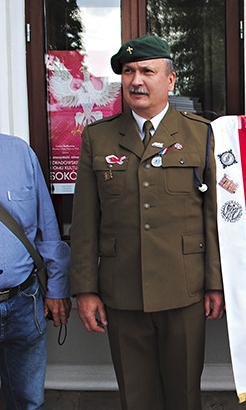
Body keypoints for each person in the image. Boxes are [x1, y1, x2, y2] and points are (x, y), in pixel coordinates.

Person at [70, 35, 224, 410]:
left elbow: (214, 217)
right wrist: (85, 290)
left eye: (147, 71)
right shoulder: (98, 137)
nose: (136, 80)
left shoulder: (201, 133)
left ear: (170, 80)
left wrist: (216, 284)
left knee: (185, 394)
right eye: (128, 72)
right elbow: (86, 221)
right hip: (122, 290)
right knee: (135, 397)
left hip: (184, 287)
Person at [0, 133, 71, 409]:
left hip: (24, 304)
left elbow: (47, 229)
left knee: (29, 402)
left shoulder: (19, 153)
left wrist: (56, 289)